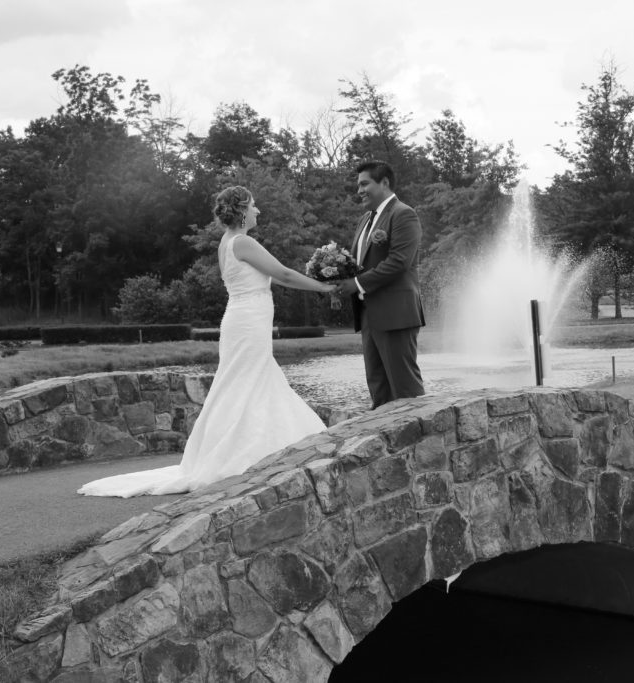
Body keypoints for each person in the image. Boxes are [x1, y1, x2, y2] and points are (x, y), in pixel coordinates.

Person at [79, 186, 336, 497]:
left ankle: (244, 447)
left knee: (242, 383)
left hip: (242, 319)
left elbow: (275, 277)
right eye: (254, 206)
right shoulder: (242, 242)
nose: (259, 212)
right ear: (242, 210)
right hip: (248, 322)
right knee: (247, 381)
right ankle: (242, 452)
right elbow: (284, 275)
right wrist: (325, 288)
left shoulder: (226, 243)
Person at [336, 160, 425, 409]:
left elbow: (399, 262)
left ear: (384, 183)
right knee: (378, 388)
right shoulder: (365, 219)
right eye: (358, 185)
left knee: (405, 389)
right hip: (368, 314)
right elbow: (359, 262)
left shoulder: (403, 213)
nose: (359, 191)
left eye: (365, 184)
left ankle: (420, 443)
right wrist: (335, 276)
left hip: (396, 314)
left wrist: (356, 283)